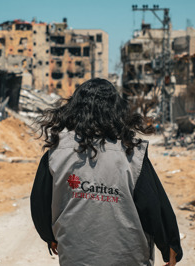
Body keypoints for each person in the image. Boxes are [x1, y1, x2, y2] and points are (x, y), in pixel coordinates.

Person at [30, 78, 183, 266]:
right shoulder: (131, 154)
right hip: (128, 258)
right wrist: (170, 245)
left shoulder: (55, 154)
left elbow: (39, 203)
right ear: (116, 111)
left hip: (75, 258)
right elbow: (153, 205)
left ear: (74, 109)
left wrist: (49, 236)